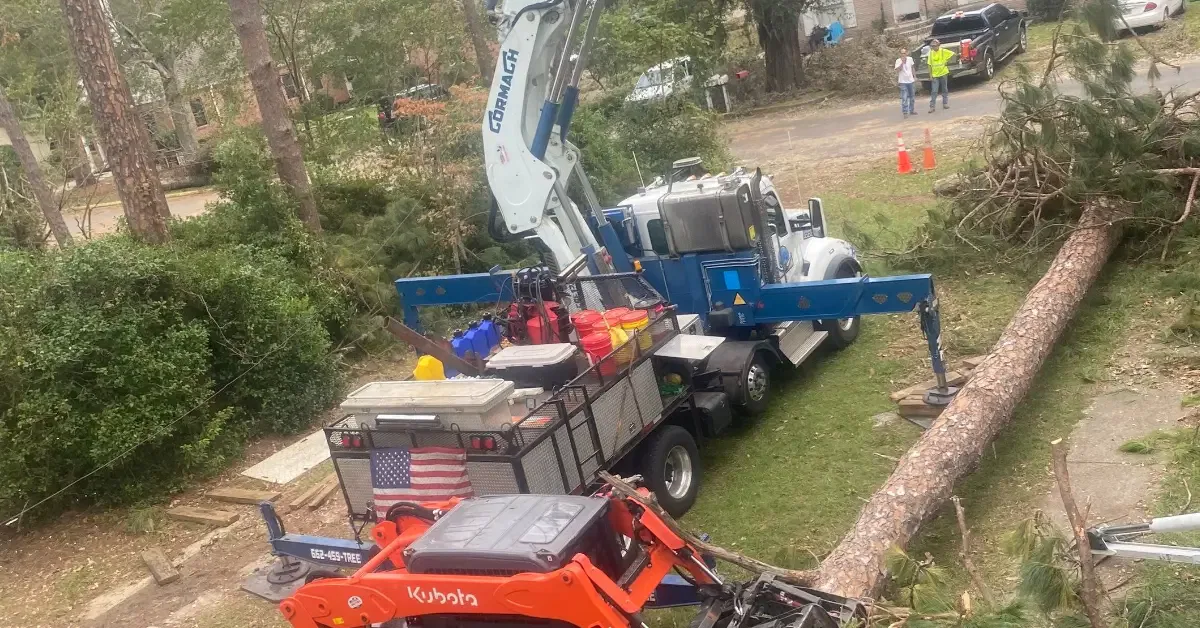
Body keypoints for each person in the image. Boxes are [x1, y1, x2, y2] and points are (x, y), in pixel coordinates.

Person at [927, 39, 955, 113]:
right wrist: (930, 75)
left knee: (944, 89)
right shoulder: (930, 53)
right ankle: (932, 107)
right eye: (932, 46)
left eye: (935, 46)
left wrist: (947, 61)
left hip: (943, 73)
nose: (934, 47)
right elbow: (929, 65)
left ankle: (945, 103)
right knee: (934, 91)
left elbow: (953, 54)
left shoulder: (943, 51)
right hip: (935, 75)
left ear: (938, 45)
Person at [895, 48, 916, 118]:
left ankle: (912, 110)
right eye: (902, 53)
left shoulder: (910, 59)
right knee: (904, 98)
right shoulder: (898, 61)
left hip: (910, 80)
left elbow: (912, 67)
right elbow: (897, 70)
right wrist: (902, 63)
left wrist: (914, 76)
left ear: (906, 53)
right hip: (903, 81)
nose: (903, 54)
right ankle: (905, 112)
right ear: (900, 54)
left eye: (904, 53)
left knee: (912, 97)